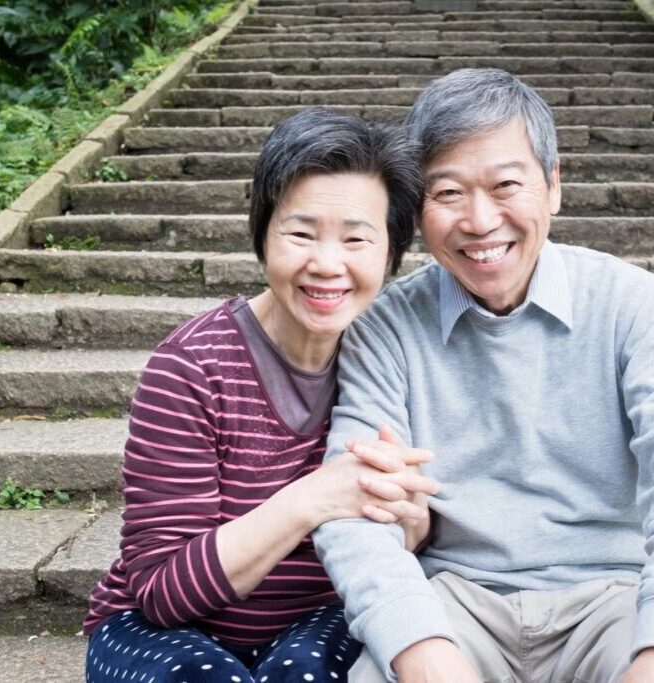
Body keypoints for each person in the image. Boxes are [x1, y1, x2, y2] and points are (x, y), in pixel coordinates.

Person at [312, 68, 654, 683]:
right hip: (455, 598)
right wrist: (421, 650)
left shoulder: (634, 303)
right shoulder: (385, 326)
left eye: (506, 184)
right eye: (449, 193)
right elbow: (355, 507)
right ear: (418, 208)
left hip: (614, 594)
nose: (481, 220)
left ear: (553, 186)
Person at [83, 108, 436, 683]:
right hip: (164, 633)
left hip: (321, 619)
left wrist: (413, 525)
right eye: (300, 234)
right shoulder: (192, 366)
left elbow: (407, 547)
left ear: (390, 252)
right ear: (263, 234)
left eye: (356, 239)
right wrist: (310, 500)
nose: (326, 265)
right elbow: (161, 592)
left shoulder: (395, 363)